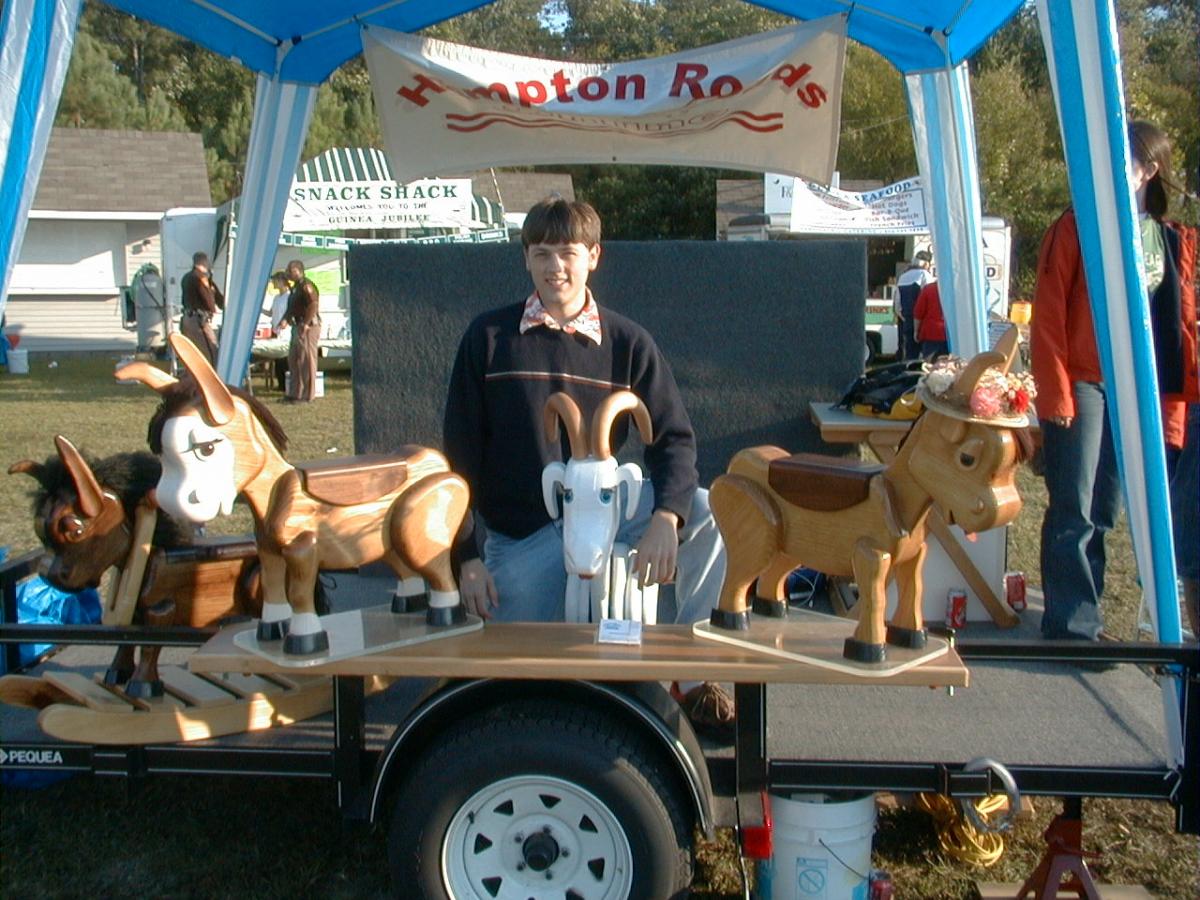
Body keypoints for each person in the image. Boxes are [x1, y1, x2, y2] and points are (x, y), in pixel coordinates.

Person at [443, 197, 732, 739]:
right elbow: (459, 458)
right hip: (524, 540)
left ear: (593, 256)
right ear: (526, 258)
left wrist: (665, 518)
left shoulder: (629, 344)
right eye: (542, 253)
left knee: (706, 511)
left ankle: (692, 677)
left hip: (606, 513)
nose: (556, 266)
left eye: (569, 252)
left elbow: (674, 440)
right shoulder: (488, 341)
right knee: (503, 692)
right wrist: (466, 559)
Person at [1031, 119, 1198, 641]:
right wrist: (1056, 392)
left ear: (1148, 170)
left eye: (1122, 161)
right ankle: (1071, 624)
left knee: (1106, 508)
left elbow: (1182, 322)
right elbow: (1049, 313)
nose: (1107, 170)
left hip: (1139, 386)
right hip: (1083, 380)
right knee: (1073, 504)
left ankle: (1089, 616)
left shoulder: (1170, 239)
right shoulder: (1077, 225)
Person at [284, 259, 320, 403]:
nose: (289, 273)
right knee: (294, 360)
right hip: (296, 324)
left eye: (291, 271)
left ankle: (308, 395)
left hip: (308, 325)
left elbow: (313, 304)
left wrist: (306, 323)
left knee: (307, 361)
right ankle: (295, 393)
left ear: (299, 271)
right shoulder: (295, 288)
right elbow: (292, 307)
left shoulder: (306, 286)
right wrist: (285, 319)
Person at [179, 251, 224, 366]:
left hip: (187, 319)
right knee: (212, 351)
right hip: (198, 321)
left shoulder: (186, 277)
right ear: (204, 263)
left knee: (194, 355)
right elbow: (209, 301)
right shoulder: (201, 279)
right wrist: (210, 291)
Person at [894, 249, 933, 360]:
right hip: (922, 323)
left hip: (906, 322)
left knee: (909, 355)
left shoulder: (903, 277)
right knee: (924, 357)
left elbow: (897, 305)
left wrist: (906, 318)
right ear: (926, 263)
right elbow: (929, 299)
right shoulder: (925, 275)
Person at [265, 270, 291, 391]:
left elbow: (289, 313)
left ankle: (287, 384)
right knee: (277, 360)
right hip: (275, 330)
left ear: (282, 282)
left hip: (285, 332)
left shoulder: (289, 296)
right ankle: (280, 384)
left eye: (275, 280)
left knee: (285, 360)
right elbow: (271, 313)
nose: (273, 283)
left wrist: (285, 322)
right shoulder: (276, 297)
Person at [913, 278, 949, 359]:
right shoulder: (955, 290)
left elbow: (918, 313)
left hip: (931, 333)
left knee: (930, 365)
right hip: (951, 334)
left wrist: (916, 331)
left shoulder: (928, 289)